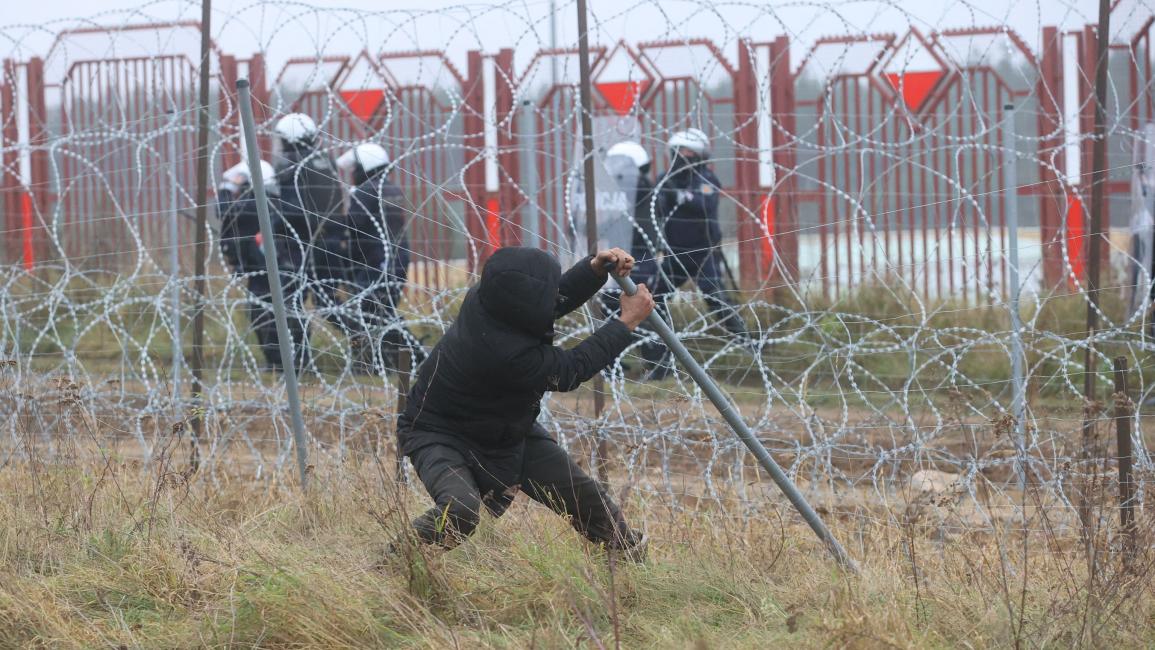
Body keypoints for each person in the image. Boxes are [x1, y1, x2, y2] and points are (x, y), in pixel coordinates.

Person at [394, 246, 654, 559]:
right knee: (460, 509)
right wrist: (625, 323)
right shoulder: (506, 354)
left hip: (503, 427)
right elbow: (569, 371)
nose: (553, 295)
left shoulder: (489, 299)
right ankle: (394, 563)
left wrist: (594, 270)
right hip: (438, 432)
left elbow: (547, 301)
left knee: (586, 497)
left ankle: (630, 560)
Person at [647, 128, 750, 378]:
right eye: (679, 151)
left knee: (717, 301)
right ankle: (661, 361)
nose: (684, 156)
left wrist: (678, 195)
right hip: (674, 254)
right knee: (653, 301)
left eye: (690, 152)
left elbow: (704, 204)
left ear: (700, 155)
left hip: (703, 254)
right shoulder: (665, 179)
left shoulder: (707, 179)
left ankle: (750, 348)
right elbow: (653, 209)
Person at [333, 143, 427, 374]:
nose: (353, 173)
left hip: (377, 263)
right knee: (381, 313)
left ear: (366, 166)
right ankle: (407, 358)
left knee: (366, 312)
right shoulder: (389, 188)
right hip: (394, 260)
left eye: (355, 168)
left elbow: (354, 226)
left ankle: (391, 360)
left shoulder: (366, 192)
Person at [271, 112, 344, 371]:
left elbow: (291, 209)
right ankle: (376, 345)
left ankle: (297, 361)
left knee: (293, 302)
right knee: (328, 302)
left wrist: (272, 225)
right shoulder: (325, 159)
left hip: (299, 244)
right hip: (329, 241)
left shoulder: (289, 162)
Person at [217, 159, 294, 371]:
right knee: (272, 314)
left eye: (242, 185)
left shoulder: (257, 203)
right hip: (266, 268)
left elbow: (223, 210)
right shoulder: (270, 201)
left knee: (264, 314)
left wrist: (226, 188)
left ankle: (281, 362)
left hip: (267, 271)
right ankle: (283, 361)